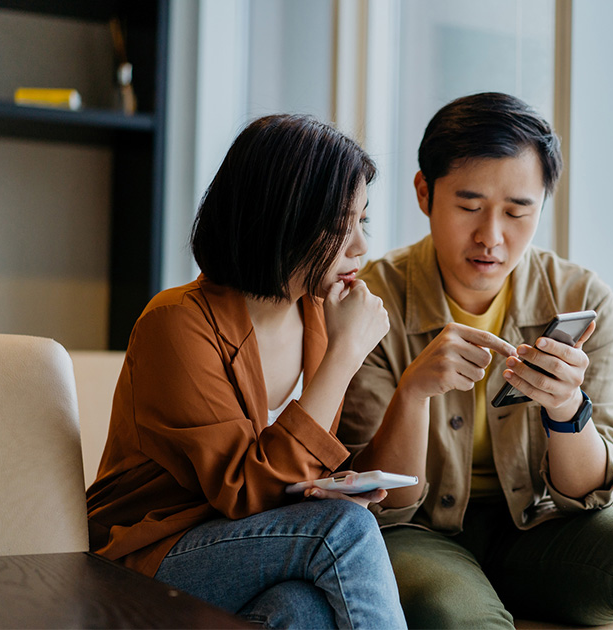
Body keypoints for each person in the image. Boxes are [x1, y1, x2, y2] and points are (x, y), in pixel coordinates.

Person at [338, 92, 613, 628]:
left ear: (543, 202)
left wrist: (567, 409)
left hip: (537, 532)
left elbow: (590, 494)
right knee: (454, 609)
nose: (491, 237)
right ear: (425, 193)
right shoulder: (369, 300)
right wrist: (412, 392)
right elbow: (382, 501)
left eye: (518, 210)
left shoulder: (580, 297)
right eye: (469, 206)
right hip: (413, 533)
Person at [86, 114, 407, 629]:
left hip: (242, 545)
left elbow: (287, 476)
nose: (360, 247)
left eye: (362, 221)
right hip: (146, 558)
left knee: (300, 612)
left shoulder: (318, 317)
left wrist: (326, 486)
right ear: (279, 218)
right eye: (337, 225)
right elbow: (244, 490)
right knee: (342, 530)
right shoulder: (176, 324)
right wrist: (346, 356)